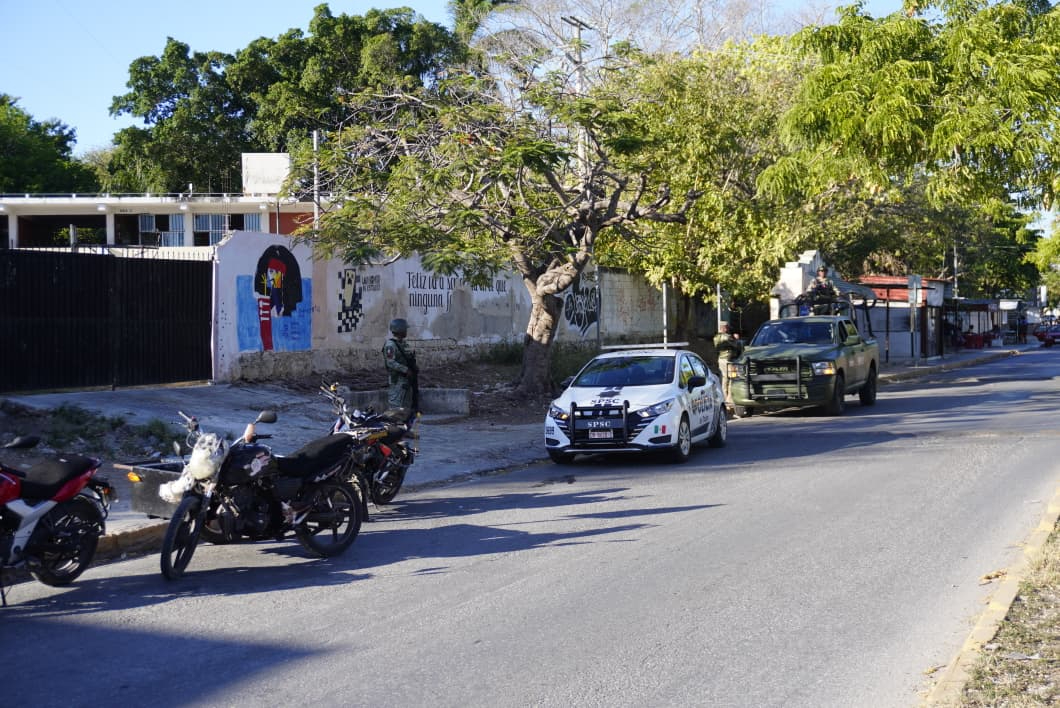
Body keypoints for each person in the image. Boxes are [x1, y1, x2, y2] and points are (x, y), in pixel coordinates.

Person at [382, 318, 419, 414]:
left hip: (407, 379)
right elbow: (390, 362)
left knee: (407, 405)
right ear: (400, 330)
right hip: (397, 380)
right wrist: (406, 370)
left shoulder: (404, 344)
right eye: (405, 329)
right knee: (395, 406)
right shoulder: (390, 345)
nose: (406, 331)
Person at [713, 323, 744, 412]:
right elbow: (736, 345)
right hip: (729, 360)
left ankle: (725, 400)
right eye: (727, 327)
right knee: (731, 379)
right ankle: (729, 401)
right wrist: (737, 339)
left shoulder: (716, 337)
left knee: (724, 380)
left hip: (721, 359)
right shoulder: (727, 337)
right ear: (725, 328)